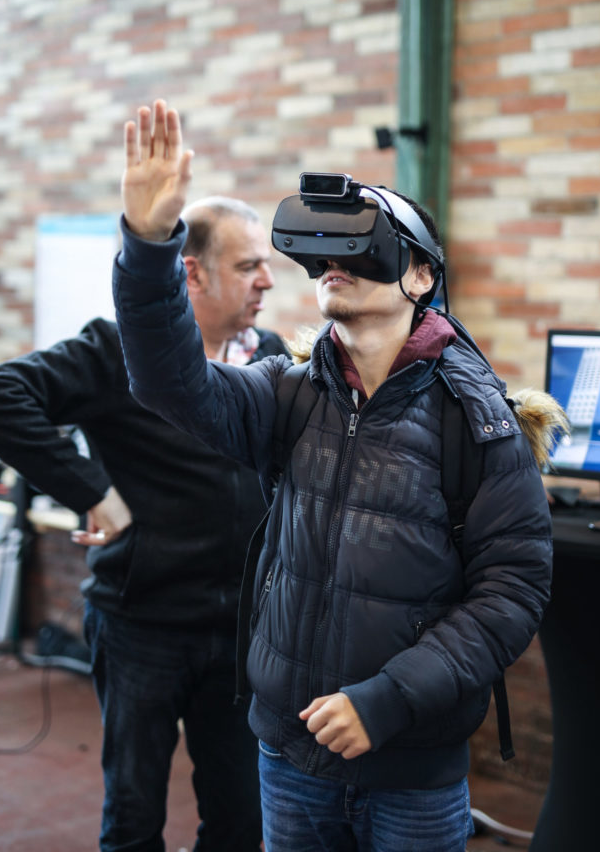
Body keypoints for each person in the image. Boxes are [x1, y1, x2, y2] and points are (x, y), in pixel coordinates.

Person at [112, 99, 560, 852]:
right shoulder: (286, 392)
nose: (333, 268)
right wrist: (149, 244)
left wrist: (386, 701)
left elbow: (513, 589)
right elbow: (168, 381)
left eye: (361, 252)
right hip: (288, 756)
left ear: (419, 275)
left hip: (411, 768)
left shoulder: (479, 420)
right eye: (323, 256)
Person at [0, 194, 287, 852]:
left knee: (243, 818)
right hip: (141, 627)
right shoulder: (115, 349)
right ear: (191, 273)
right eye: (248, 266)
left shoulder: (269, 355)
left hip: (241, 634)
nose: (267, 279)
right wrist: (92, 490)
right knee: (134, 815)